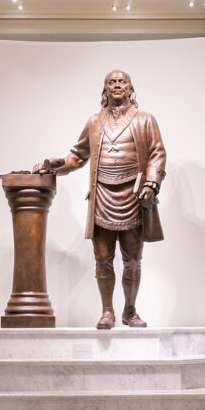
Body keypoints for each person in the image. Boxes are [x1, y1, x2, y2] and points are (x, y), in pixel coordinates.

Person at [36, 70, 166, 329]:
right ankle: (107, 311)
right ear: (104, 90)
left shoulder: (145, 120)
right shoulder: (94, 122)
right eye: (112, 82)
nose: (117, 85)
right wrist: (54, 165)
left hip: (133, 197)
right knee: (103, 258)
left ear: (131, 88)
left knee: (132, 260)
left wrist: (152, 182)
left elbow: (157, 153)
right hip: (102, 197)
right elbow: (77, 155)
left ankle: (130, 310)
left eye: (122, 82)